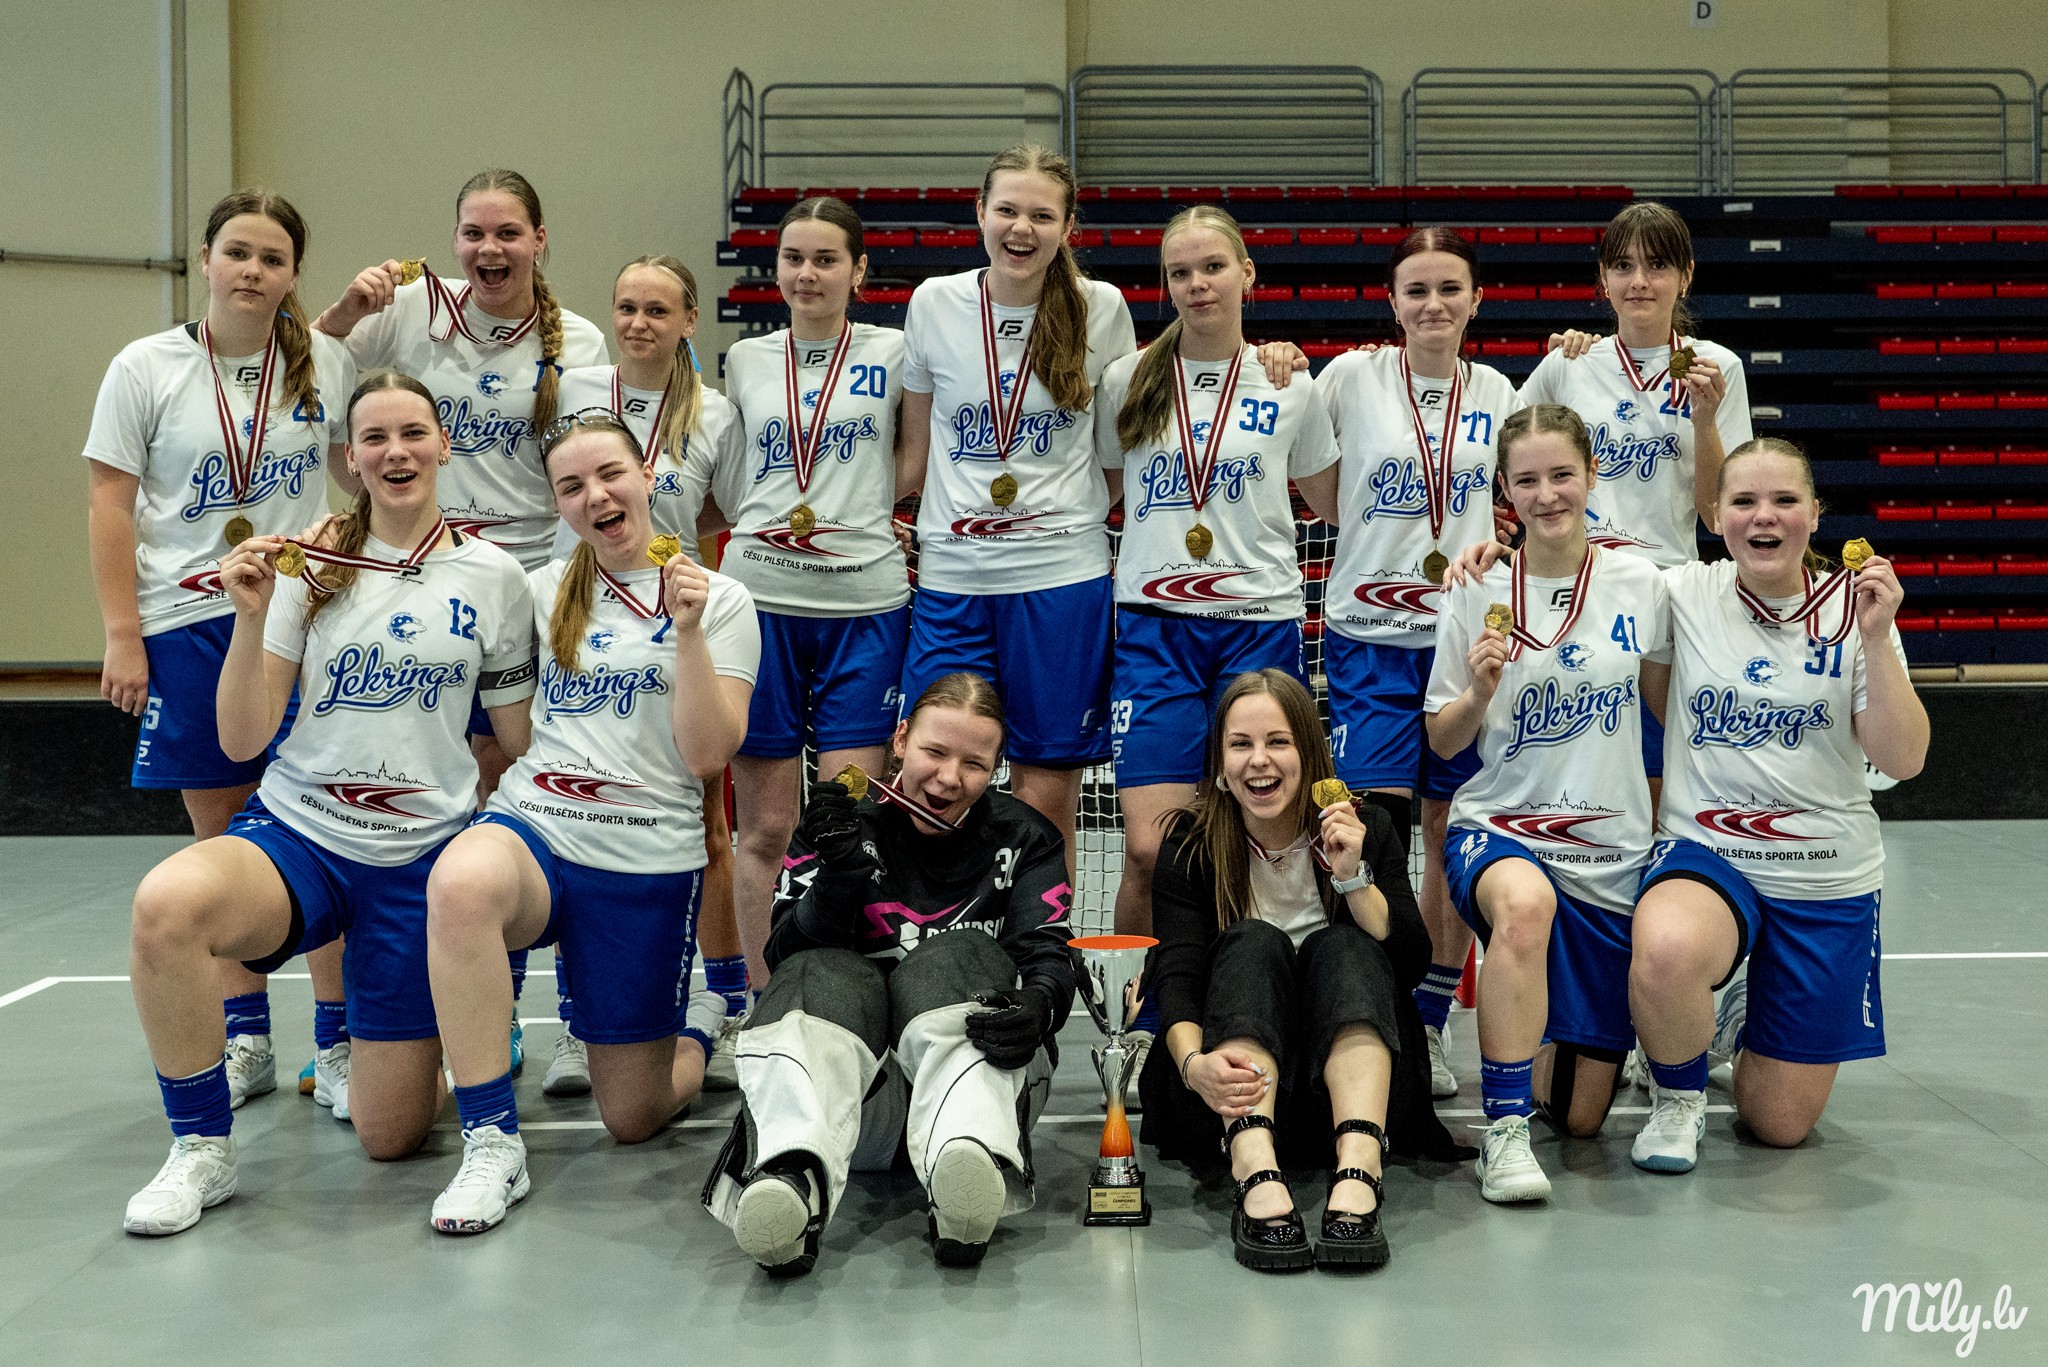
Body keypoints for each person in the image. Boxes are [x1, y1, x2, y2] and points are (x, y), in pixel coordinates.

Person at [121, 370, 537, 1236]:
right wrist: (249, 617)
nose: (396, 451)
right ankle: (201, 1147)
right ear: (350, 458)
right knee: (165, 904)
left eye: (413, 432)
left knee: (389, 1135)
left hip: (418, 860)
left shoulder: (496, 576)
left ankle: (456, 1060)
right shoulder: (307, 566)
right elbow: (242, 737)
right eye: (375, 437)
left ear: (444, 442)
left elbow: (519, 739)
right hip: (301, 833)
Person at [422, 411, 758, 1233]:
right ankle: (491, 1142)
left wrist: (686, 633)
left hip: (645, 859)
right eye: (571, 486)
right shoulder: (537, 592)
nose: (596, 496)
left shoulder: (721, 599)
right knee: (460, 883)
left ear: (648, 475)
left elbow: (707, 754)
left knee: (634, 1116)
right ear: (558, 504)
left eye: (609, 474)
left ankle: (701, 1023)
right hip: (538, 827)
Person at [314, 168, 609, 1063]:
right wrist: (342, 312)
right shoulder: (407, 309)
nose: (490, 248)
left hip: (527, 588)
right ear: (453, 241)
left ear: (540, 240)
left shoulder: (580, 341)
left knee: (529, 789)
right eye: (474, 233)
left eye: (508, 232)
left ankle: (552, 1015)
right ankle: (386, 1022)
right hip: (418, 579)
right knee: (422, 785)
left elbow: (587, 471)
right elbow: (320, 381)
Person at [84, 189, 356, 1116]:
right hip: (188, 622)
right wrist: (123, 633)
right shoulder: (145, 366)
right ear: (205, 259)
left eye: (273, 258)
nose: (252, 270)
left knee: (327, 827)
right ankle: (247, 1039)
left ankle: (339, 1040)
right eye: (237, 251)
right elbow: (110, 504)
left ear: (292, 274)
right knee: (226, 839)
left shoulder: (326, 362)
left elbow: (365, 469)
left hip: (301, 621)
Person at [702, 673, 1075, 1274]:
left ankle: (965, 1165)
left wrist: (1042, 1004)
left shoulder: (1026, 838)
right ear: (900, 741)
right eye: (935, 751)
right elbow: (784, 957)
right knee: (819, 971)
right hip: (854, 1108)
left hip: (980, 1082)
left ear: (997, 768)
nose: (949, 778)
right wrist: (839, 878)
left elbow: (1048, 955)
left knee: (958, 955)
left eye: (974, 764)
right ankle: (790, 1175)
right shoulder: (838, 825)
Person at [1627, 437, 1926, 1172]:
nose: (1764, 516)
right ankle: (1678, 1096)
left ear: (1815, 514)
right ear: (1717, 516)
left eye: (1785, 500)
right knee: (1667, 947)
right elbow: (1572, 573)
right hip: (1709, 851)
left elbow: (1903, 759)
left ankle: (1738, 1009)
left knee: (1779, 1124)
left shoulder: (1858, 611)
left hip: (1825, 871)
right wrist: (1487, 558)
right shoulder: (1681, 592)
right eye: (1744, 501)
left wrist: (1877, 638)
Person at [1426, 404, 1670, 1205]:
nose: (1547, 494)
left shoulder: (1643, 584)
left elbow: (1671, 706)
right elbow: (1442, 739)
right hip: (1500, 828)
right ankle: (1503, 1133)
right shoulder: (1474, 586)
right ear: (1504, 490)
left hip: (1608, 855)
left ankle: (1543, 1050)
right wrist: (1478, 691)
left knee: (1580, 1116)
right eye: (1526, 480)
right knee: (1523, 909)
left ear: (1592, 475)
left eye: (1562, 474)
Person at [1139, 670, 1463, 1272]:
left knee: (1342, 947)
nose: (1259, 761)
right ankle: (1254, 1168)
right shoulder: (1190, 842)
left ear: (1309, 754)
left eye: (1278, 742)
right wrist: (1194, 1067)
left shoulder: (1368, 827)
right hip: (1233, 1100)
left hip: (1343, 1095)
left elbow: (1410, 964)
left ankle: (1360, 1171)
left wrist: (1352, 878)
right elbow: (1176, 980)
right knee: (1253, 943)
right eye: (1240, 744)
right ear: (1219, 763)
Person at [1315, 227, 1524, 1101]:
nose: (1434, 304)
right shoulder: (1348, 379)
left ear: (1476, 299)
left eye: (1449, 288)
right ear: (1392, 302)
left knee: (1447, 832)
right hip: (1368, 634)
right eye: (1416, 289)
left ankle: (1428, 1021)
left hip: (1460, 638)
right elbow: (1318, 485)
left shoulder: (1501, 391)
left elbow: (1519, 496)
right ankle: (1370, 1009)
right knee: (1375, 830)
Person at [684, 199, 909, 1002]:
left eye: (825, 259)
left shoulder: (897, 351)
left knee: (850, 822)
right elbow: (730, 479)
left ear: (859, 270)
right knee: (767, 827)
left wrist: (860, 513)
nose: (807, 273)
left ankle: (850, 999)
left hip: (865, 607)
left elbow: (913, 457)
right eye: (793, 258)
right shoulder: (747, 360)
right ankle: (765, 1000)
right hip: (761, 606)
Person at [1097, 206, 1339, 952]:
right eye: (1180, 272)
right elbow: (1101, 492)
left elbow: (1335, 505)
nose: (1197, 284)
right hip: (1155, 629)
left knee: (1254, 840)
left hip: (1257, 626)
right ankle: (1138, 1006)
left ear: (1246, 273)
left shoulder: (1291, 383)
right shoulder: (1125, 379)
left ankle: (1242, 990)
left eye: (1212, 267)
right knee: (1150, 849)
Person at [545, 255, 748, 1098]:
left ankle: (726, 1005)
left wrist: (668, 552)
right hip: (583, 611)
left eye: (658, 309)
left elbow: (717, 510)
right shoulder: (575, 388)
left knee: (708, 822)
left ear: (689, 320)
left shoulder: (716, 412)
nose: (637, 323)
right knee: (570, 817)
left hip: (674, 617)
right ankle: (575, 1020)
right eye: (625, 306)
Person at [1517, 201, 1750, 794]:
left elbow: (1718, 515)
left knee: (1657, 775)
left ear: (1686, 275)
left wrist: (1704, 420)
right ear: (1603, 277)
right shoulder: (1568, 364)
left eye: (1658, 265)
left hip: (1666, 593)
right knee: (1572, 772)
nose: (1639, 281)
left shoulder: (1717, 367)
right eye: (1622, 266)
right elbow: (1500, 457)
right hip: (1578, 591)